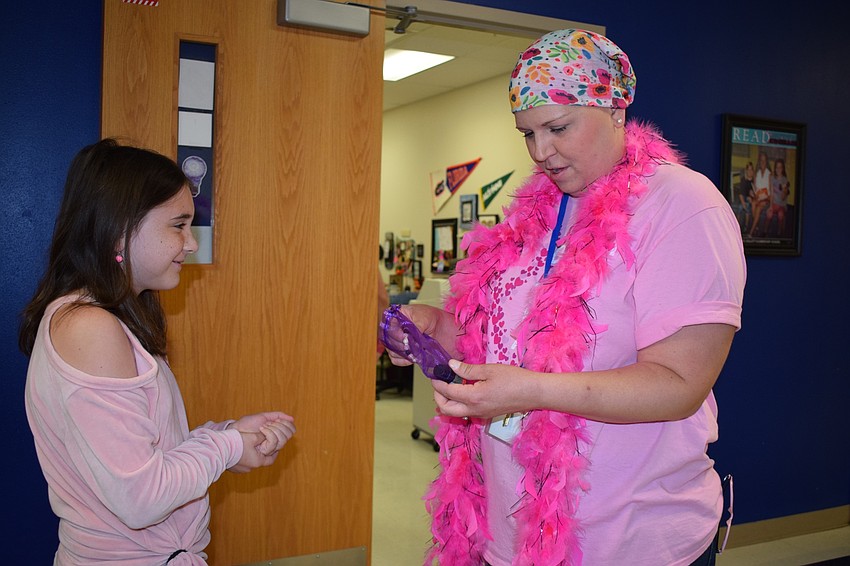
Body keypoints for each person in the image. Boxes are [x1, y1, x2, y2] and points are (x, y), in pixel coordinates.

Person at [385, 29, 746, 566]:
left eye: (558, 127)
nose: (540, 152)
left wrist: (533, 391)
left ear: (616, 108)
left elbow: (678, 385)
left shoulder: (683, 206)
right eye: (527, 133)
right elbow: (510, 344)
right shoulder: (536, 211)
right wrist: (437, 329)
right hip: (510, 537)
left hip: (629, 540)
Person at [18, 139, 297, 565]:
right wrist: (227, 448)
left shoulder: (110, 316)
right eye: (178, 226)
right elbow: (141, 497)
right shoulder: (89, 327)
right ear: (119, 227)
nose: (191, 244)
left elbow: (148, 457)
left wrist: (227, 438)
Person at [765, 157, 790, 237]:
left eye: (780, 167)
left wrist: (784, 190)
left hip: (782, 205)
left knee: (781, 215)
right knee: (769, 214)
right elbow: (771, 193)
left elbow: (783, 198)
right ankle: (765, 232)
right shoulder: (772, 178)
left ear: (783, 169)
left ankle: (779, 234)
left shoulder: (785, 180)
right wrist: (770, 206)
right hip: (774, 203)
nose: (778, 169)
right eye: (777, 167)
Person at [749, 151, 771, 237]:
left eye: (764, 161)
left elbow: (770, 192)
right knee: (753, 203)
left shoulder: (769, 174)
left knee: (758, 207)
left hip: (767, 199)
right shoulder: (756, 174)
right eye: (761, 160)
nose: (762, 163)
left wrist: (764, 198)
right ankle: (756, 227)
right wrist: (754, 194)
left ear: (766, 162)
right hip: (758, 198)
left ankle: (751, 232)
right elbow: (755, 189)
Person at [734, 162, 756, 233]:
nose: (750, 172)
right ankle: (736, 226)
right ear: (746, 171)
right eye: (748, 170)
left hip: (749, 200)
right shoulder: (744, 180)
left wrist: (752, 197)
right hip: (743, 198)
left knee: (748, 210)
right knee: (740, 208)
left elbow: (755, 193)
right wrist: (743, 203)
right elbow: (741, 193)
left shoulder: (753, 181)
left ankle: (746, 226)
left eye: (751, 170)